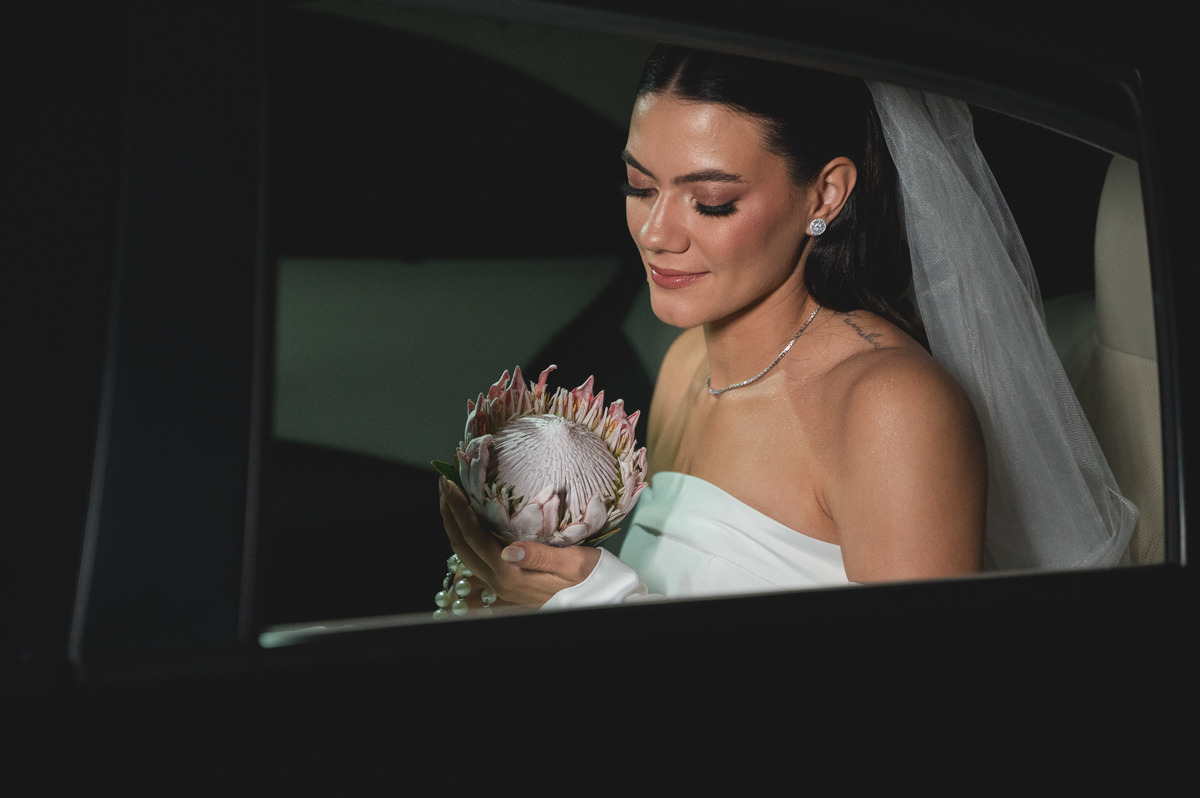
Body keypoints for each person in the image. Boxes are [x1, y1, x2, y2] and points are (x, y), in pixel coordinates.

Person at [438, 45, 1135, 610]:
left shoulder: (888, 408)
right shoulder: (686, 364)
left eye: (711, 201)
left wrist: (597, 603)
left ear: (825, 193)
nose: (655, 233)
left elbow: (917, 716)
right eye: (639, 187)